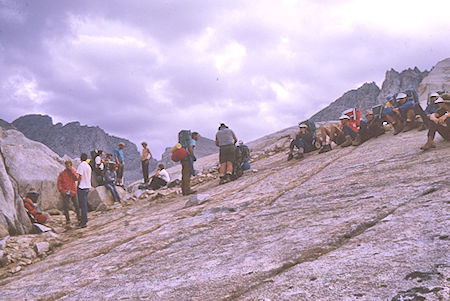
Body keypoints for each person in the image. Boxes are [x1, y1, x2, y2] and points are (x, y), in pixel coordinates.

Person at [57, 160, 81, 225]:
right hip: (65, 191)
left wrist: (72, 171)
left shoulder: (73, 171)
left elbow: (76, 178)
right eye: (66, 165)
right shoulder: (62, 173)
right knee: (66, 206)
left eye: (69, 165)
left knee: (76, 205)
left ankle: (79, 217)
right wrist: (61, 190)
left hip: (72, 190)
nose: (67, 166)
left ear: (71, 165)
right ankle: (68, 220)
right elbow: (59, 182)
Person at [77, 153, 91, 228]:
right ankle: (84, 219)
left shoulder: (81, 165)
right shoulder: (88, 166)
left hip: (82, 187)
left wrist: (77, 185)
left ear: (80, 158)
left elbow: (80, 176)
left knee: (82, 205)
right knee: (84, 204)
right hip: (87, 186)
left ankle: (83, 221)